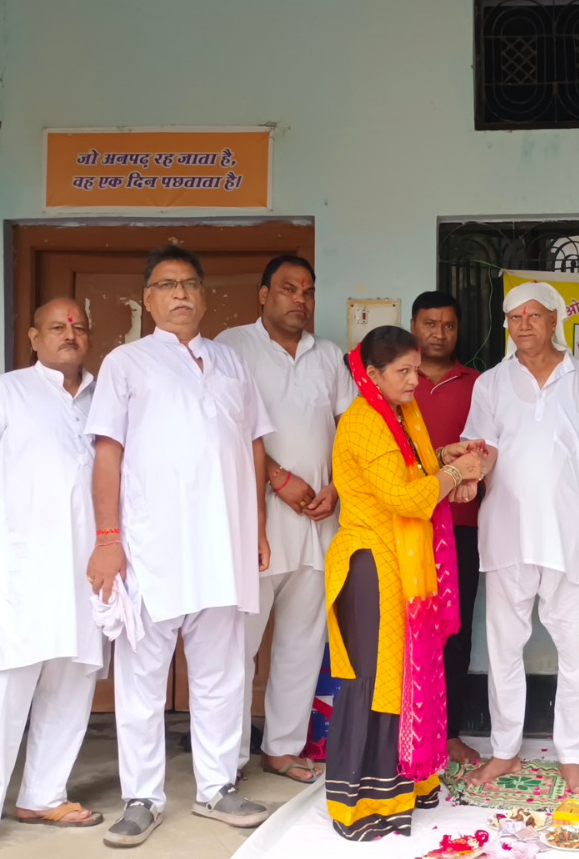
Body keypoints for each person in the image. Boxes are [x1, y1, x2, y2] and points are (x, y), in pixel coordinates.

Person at [85, 245, 275, 846]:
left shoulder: (230, 361)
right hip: (152, 548)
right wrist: (108, 539)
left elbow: (254, 447)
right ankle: (141, 796)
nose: (181, 294)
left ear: (205, 295)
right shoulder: (126, 362)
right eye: (167, 285)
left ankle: (217, 787)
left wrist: (257, 528)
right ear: (148, 299)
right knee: (142, 679)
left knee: (221, 675)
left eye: (190, 283)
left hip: (223, 547)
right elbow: (107, 452)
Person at [0, 300, 105, 859]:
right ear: (34, 337)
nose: (69, 334)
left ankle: (43, 795)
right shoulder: (4, 394)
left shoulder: (106, 398)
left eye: (78, 326)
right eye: (57, 327)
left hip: (87, 568)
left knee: (73, 680)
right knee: (1, 691)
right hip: (17, 568)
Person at [461, 281, 579, 797]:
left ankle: (574, 756)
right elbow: (482, 449)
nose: (523, 325)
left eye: (533, 316)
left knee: (578, 651)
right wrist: (468, 469)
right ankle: (505, 750)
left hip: (571, 534)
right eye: (515, 317)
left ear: (554, 320)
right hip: (506, 534)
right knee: (503, 649)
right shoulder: (491, 383)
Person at [324, 326, 487, 840]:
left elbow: (410, 471)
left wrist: (446, 458)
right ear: (372, 375)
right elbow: (407, 498)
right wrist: (457, 474)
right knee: (376, 682)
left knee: (403, 676)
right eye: (404, 371)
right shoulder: (364, 421)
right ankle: (361, 800)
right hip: (372, 563)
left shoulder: (396, 415)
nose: (416, 380)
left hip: (397, 562)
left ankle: (402, 784)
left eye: (417, 369)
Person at [218, 255, 354, 785]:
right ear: (263, 294)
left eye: (308, 291)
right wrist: (276, 477)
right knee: (239, 647)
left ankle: (282, 748)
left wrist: (338, 485)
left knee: (302, 642)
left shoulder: (329, 355)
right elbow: (225, 428)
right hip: (256, 522)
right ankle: (225, 761)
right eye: (288, 288)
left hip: (318, 521)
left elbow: (349, 428)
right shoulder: (232, 347)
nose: (300, 299)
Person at [407, 290, 484, 767]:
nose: (439, 333)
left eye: (449, 325)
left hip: (461, 527)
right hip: (406, 526)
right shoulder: (397, 382)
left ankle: (450, 730)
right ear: (413, 326)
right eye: (430, 324)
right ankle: (404, 730)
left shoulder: (479, 384)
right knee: (406, 628)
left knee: (455, 629)